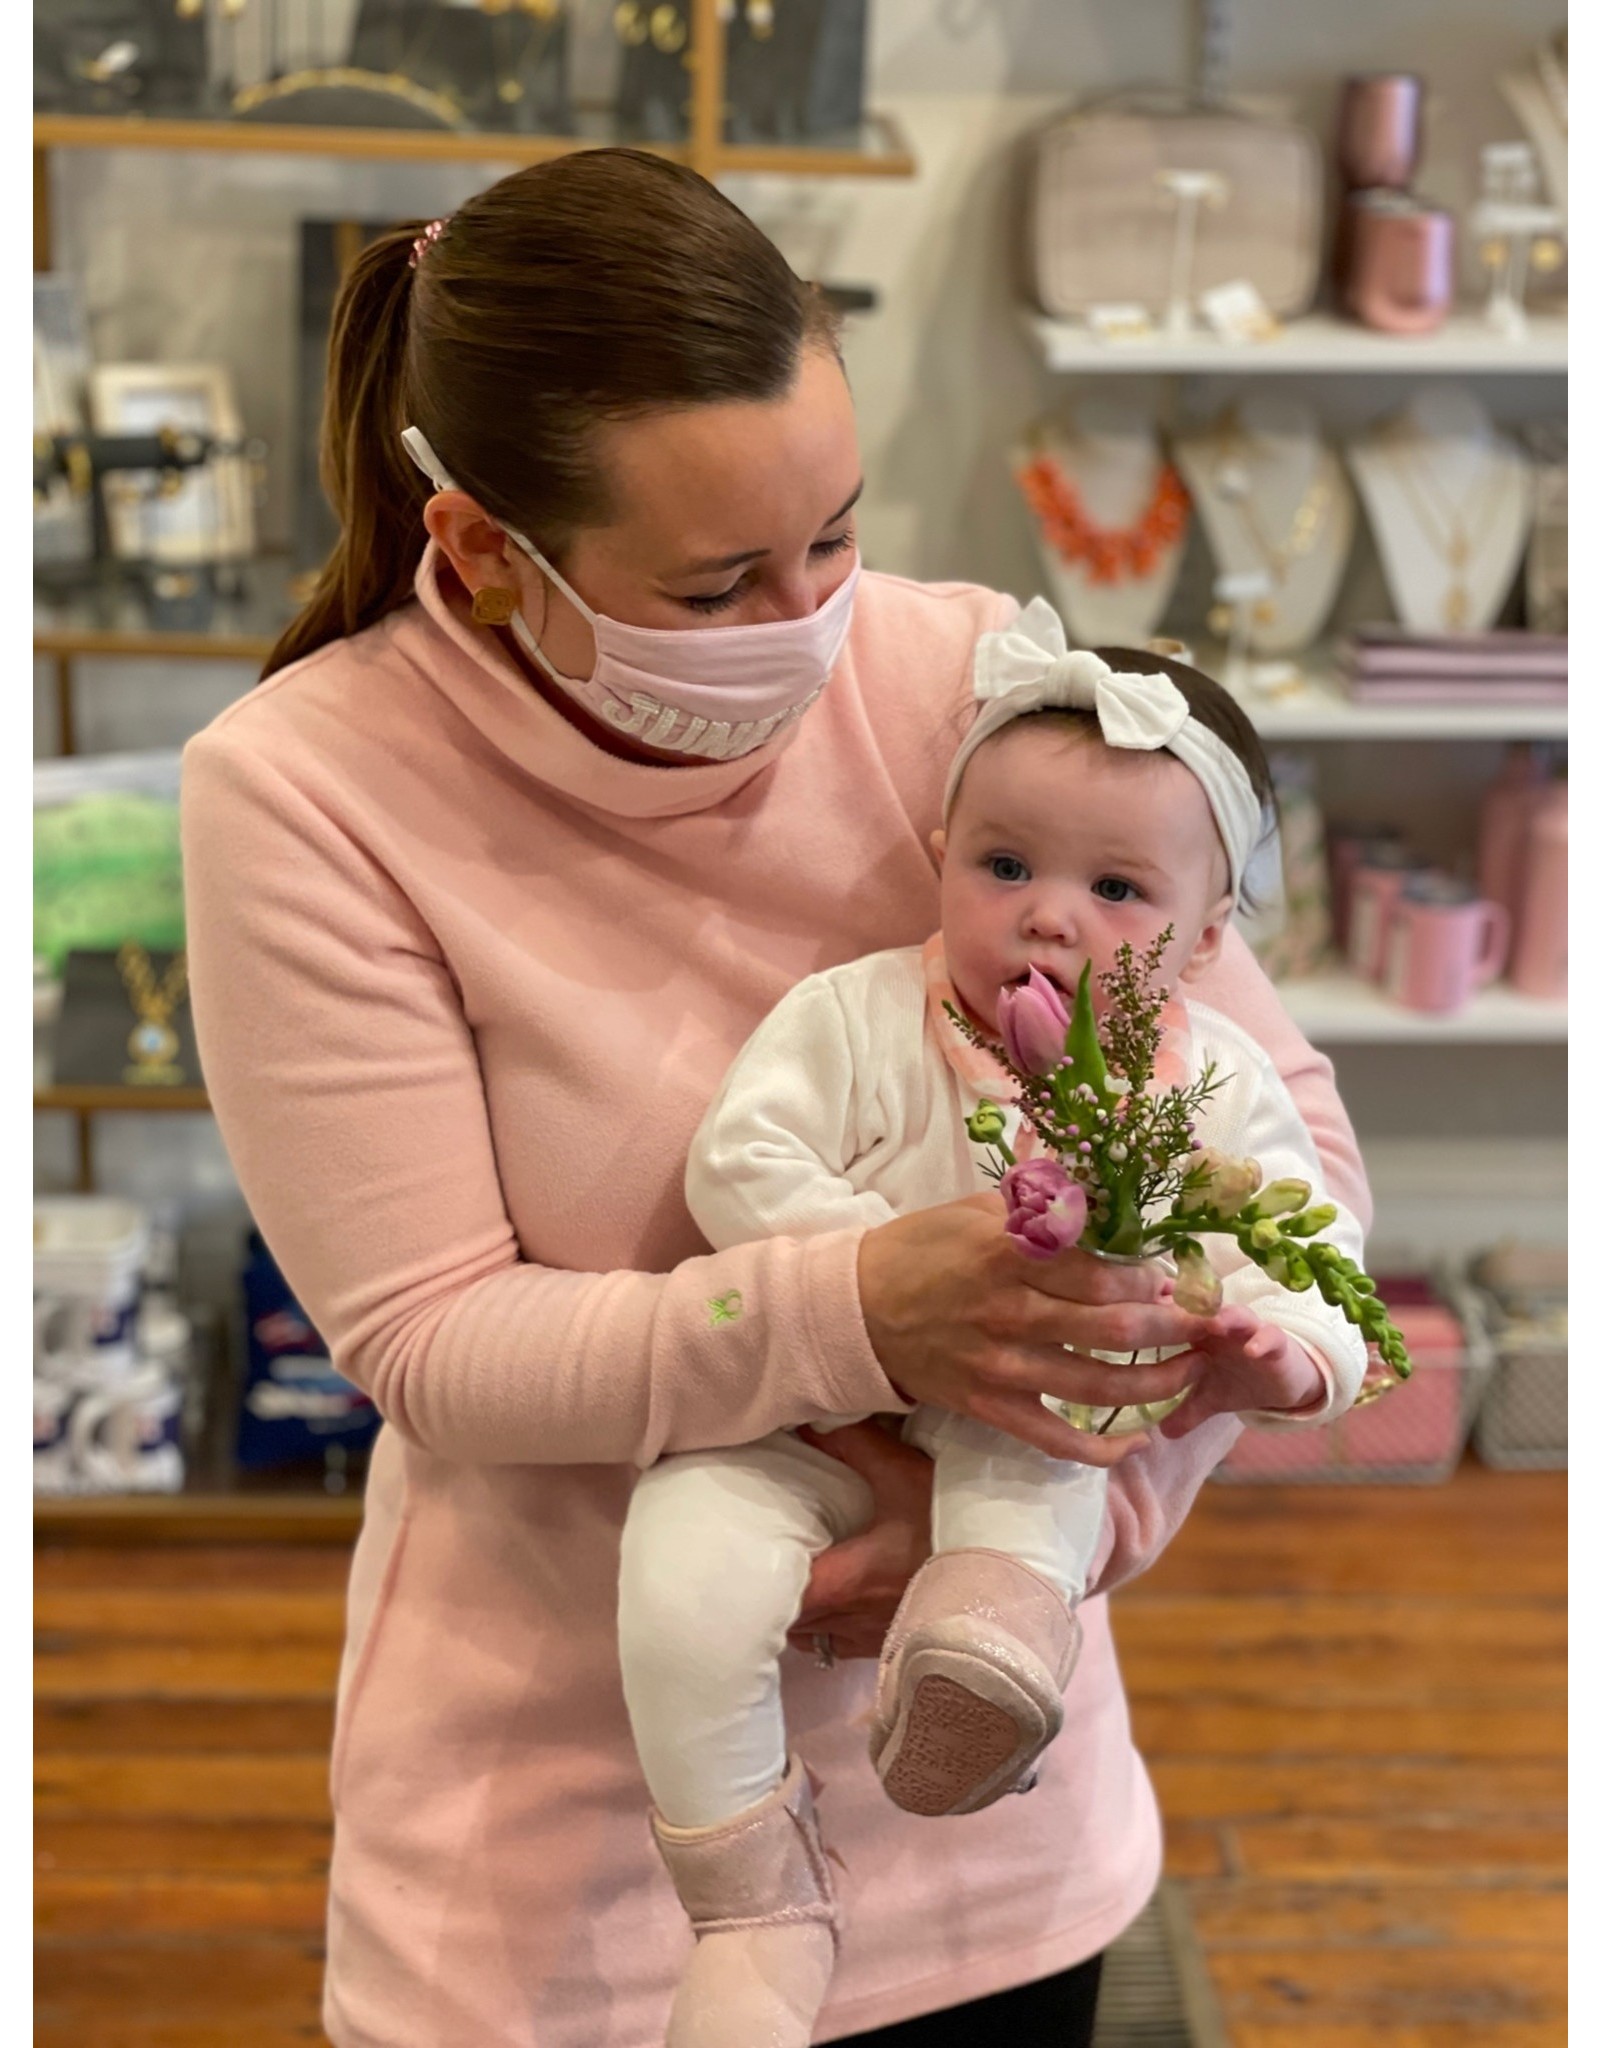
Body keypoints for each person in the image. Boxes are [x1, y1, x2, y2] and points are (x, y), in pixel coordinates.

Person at [180, 149, 1371, 2048]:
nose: (815, 616)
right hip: (579, 1845)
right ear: (488, 548)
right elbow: (430, 1340)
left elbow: (1273, 1136)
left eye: (837, 532)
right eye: (722, 579)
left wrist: (1067, 1518)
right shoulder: (309, 792)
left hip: (996, 1802)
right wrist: (863, 1305)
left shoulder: (976, 679)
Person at [619, 602, 1371, 2045]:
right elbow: (740, 1163)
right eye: (1007, 865)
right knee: (680, 1561)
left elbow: (1305, 1236)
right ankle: (749, 1904)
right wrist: (897, 1281)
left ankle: (981, 1678)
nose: (1048, 915)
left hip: (1047, 1430)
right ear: (940, 864)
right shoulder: (853, 1020)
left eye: (1119, 891)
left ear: (1210, 938)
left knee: (1034, 1492)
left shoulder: (1209, 1085)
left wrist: (1291, 1358)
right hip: (813, 1414)